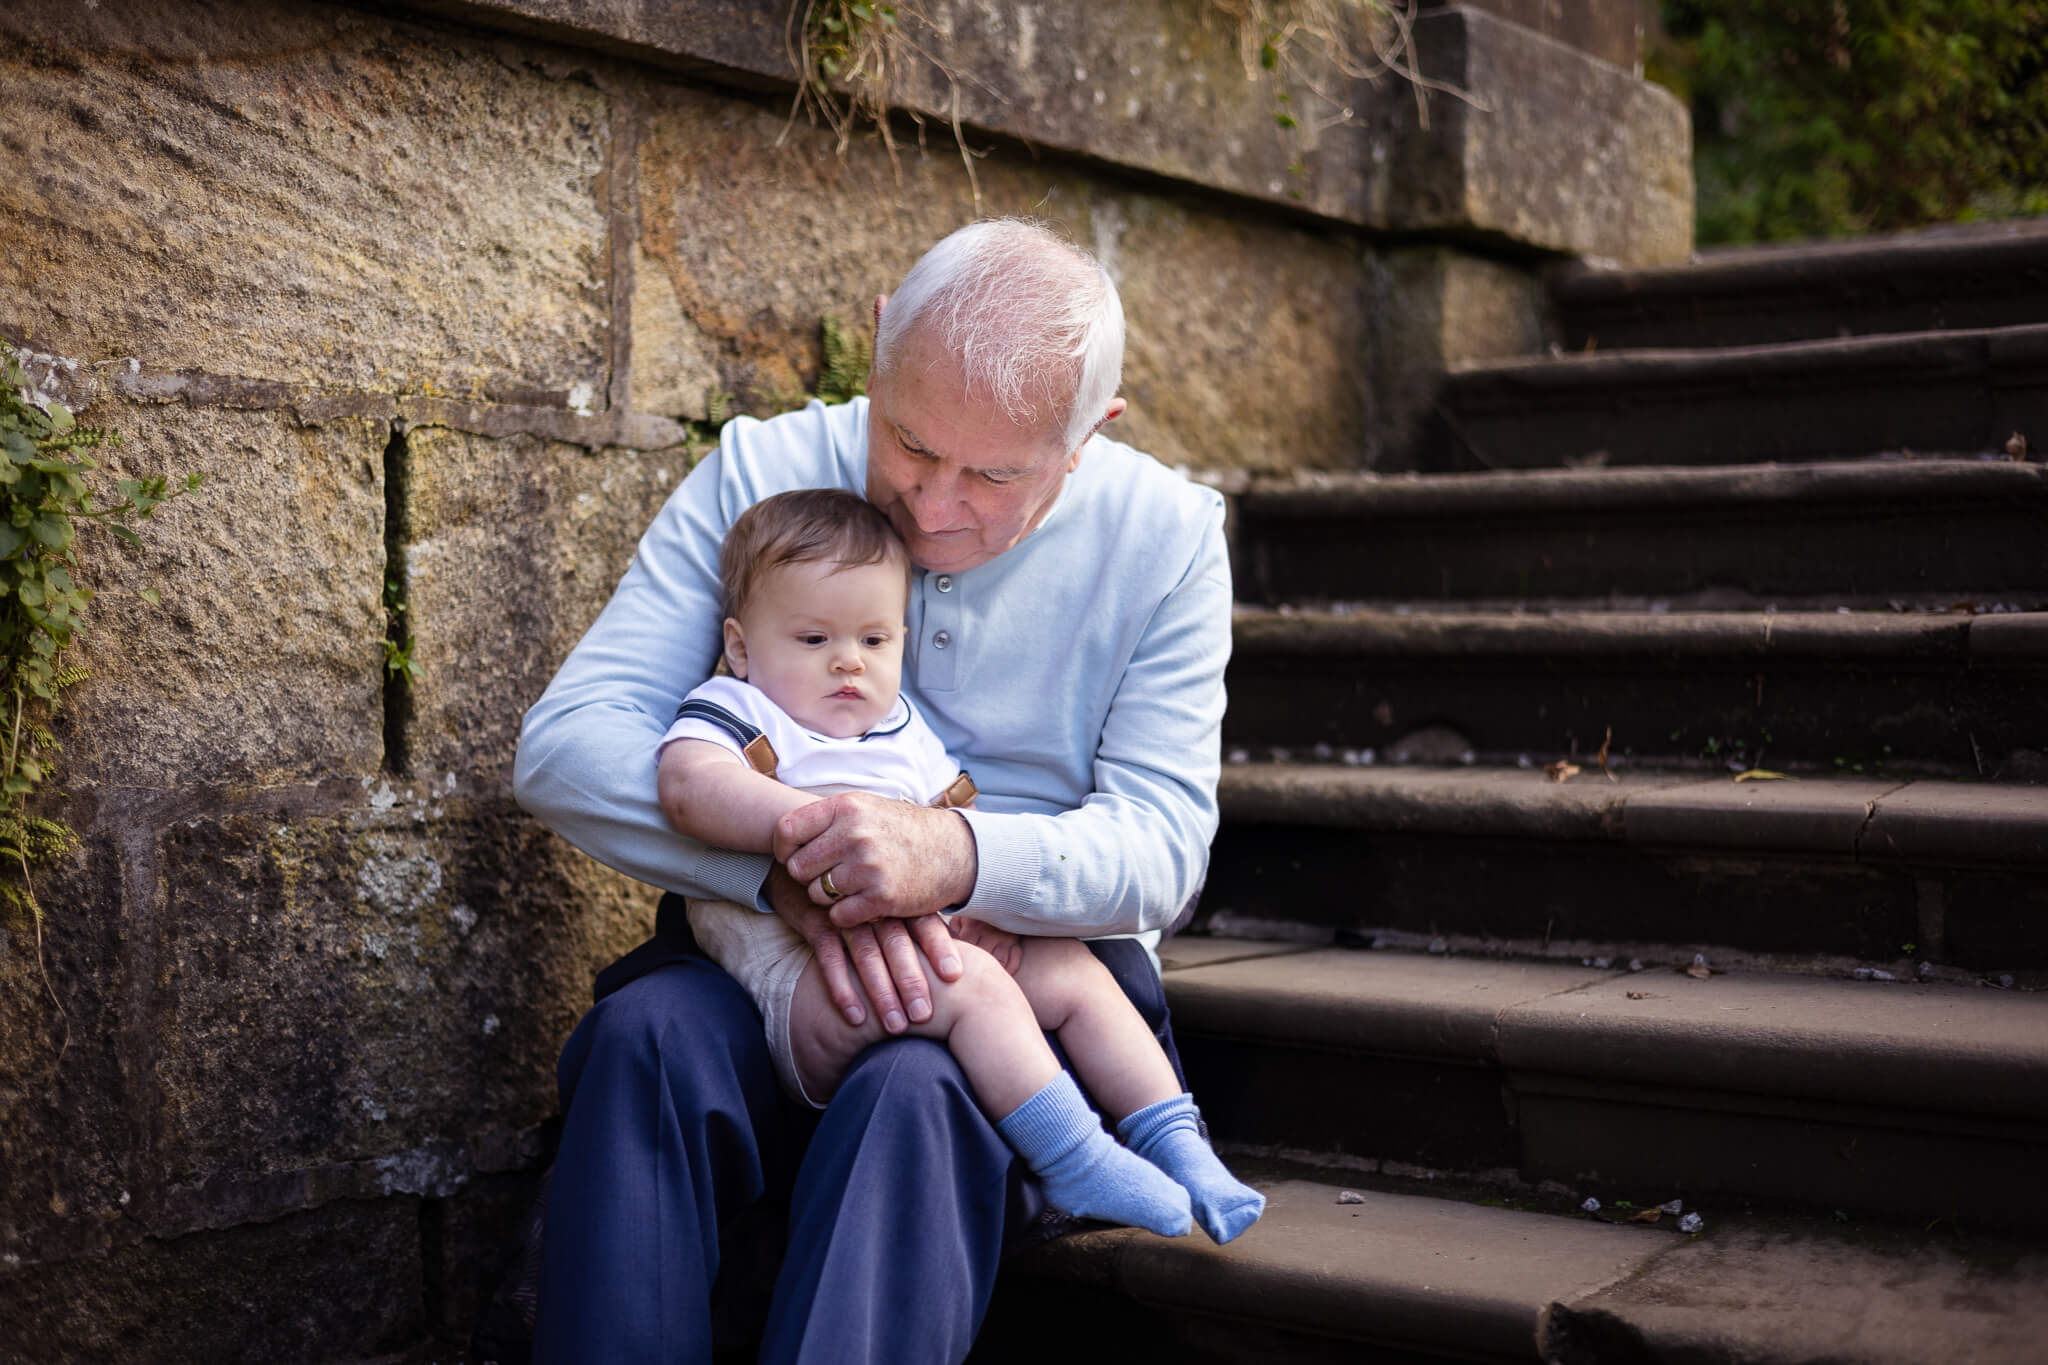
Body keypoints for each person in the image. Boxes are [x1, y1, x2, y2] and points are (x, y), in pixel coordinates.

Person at [513, 218, 1236, 1364]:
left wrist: (955, 860)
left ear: (1085, 437)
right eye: (905, 443)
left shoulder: (1169, 539)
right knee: (644, 1036)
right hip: (766, 955)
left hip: (1022, 986)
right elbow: (567, 746)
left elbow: (1160, 849)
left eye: (992, 474)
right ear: (881, 346)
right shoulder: (758, 470)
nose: (930, 505)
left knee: (916, 1085)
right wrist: (783, 865)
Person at [662, 486, 1263, 1244]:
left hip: (923, 948)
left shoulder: (899, 726)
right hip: (809, 995)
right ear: (744, 646)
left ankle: (1178, 1143)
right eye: (814, 640)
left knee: (1072, 969)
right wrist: (805, 831)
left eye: (875, 641)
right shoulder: (743, 709)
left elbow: (952, 827)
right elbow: (687, 785)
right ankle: (1074, 1160)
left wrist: (977, 910)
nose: (849, 662)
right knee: (971, 984)